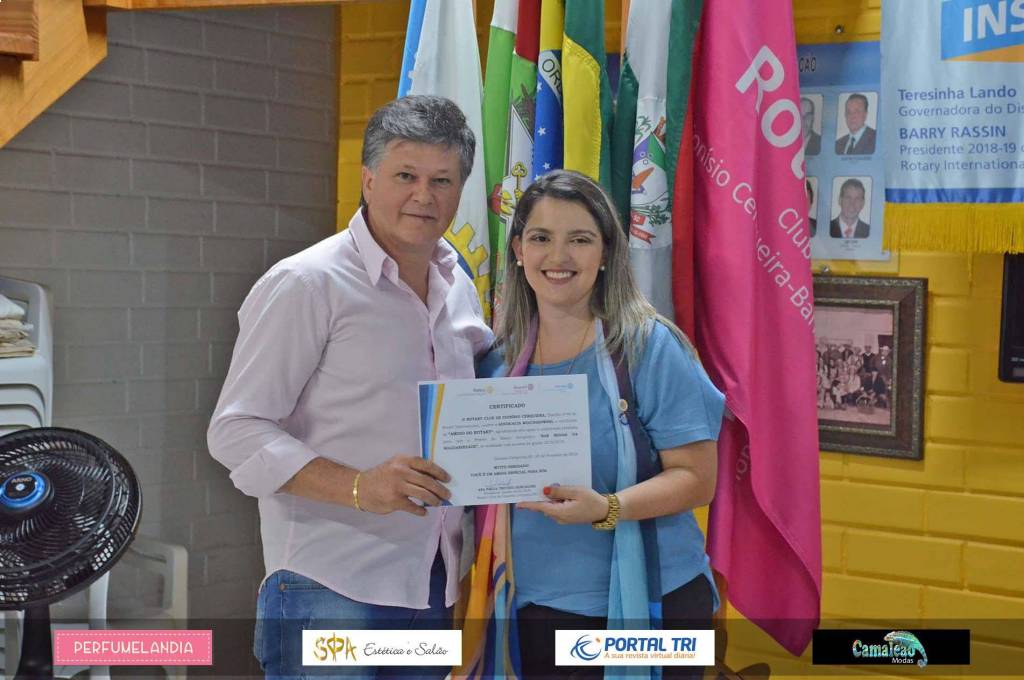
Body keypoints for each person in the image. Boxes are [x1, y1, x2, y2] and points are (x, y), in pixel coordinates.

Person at [207, 95, 493, 678]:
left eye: (441, 180)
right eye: (406, 176)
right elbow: (234, 431)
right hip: (330, 585)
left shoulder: (459, 285)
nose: (424, 196)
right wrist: (361, 487)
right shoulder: (307, 283)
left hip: (433, 581)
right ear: (368, 179)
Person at [477, 170, 725, 679]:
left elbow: (697, 479)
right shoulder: (494, 363)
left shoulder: (649, 346)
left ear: (607, 252)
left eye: (580, 239)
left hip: (655, 603)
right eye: (540, 238)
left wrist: (608, 508)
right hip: (530, 611)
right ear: (518, 250)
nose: (558, 256)